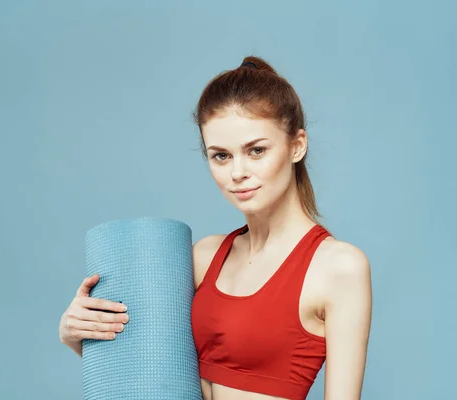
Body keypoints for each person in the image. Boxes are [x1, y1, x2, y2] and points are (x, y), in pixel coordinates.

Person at [59, 56, 372, 400]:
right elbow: (142, 373)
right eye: (221, 156)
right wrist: (77, 333)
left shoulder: (338, 267)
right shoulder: (204, 257)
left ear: (297, 146)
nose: (237, 172)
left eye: (256, 150)